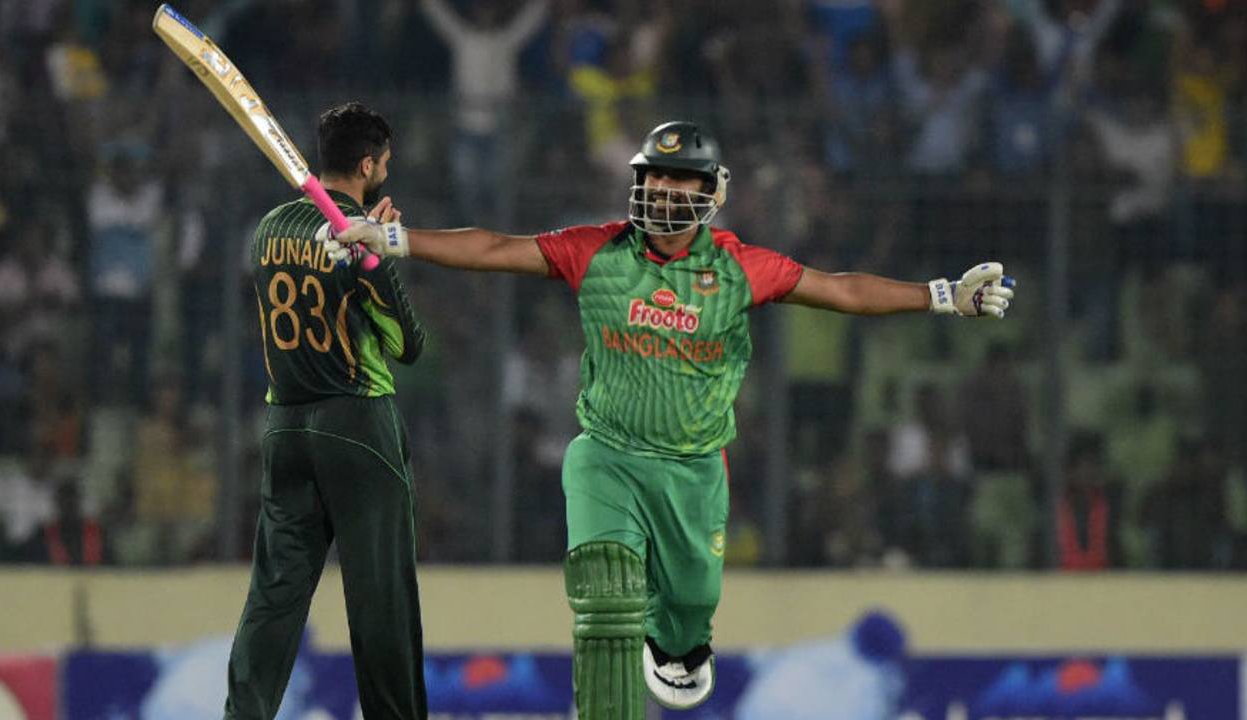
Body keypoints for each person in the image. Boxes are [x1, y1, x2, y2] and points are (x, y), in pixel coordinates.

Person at [326, 120, 1015, 718]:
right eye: (655, 178)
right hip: (607, 454)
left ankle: (680, 639)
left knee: (688, 604)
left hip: (693, 471)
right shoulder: (598, 251)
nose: (663, 191)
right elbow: (497, 248)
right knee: (604, 579)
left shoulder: (741, 268)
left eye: (681, 181)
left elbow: (839, 289)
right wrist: (397, 239)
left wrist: (944, 295)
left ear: (710, 194)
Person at [224, 101, 427, 720]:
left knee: (274, 596)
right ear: (366, 164)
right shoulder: (357, 235)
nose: (386, 172)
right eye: (385, 163)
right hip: (358, 423)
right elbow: (406, 345)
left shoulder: (267, 229)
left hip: (284, 426)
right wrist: (377, 259)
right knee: (379, 599)